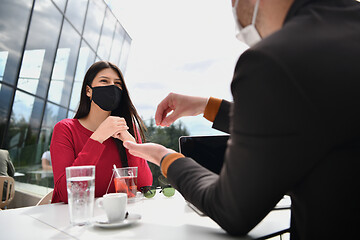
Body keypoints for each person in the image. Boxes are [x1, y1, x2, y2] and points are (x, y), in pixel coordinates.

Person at [123, 0, 360, 239]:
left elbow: (231, 208)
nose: (234, 7)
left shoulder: (273, 59)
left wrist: (164, 157)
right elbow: (309, 117)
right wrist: (207, 106)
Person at [50, 61, 153, 203]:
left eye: (117, 84)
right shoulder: (65, 129)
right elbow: (64, 194)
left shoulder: (127, 129)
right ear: (88, 91)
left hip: (117, 217)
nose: (112, 87)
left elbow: (144, 186)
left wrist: (131, 145)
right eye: (104, 81)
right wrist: (97, 138)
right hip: (77, 219)